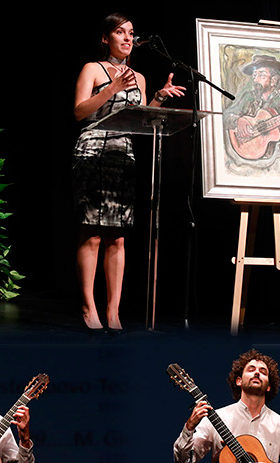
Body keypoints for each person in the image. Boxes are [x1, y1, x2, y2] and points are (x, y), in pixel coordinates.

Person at [73, 13, 185, 331]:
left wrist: (158, 99)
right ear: (105, 38)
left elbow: (140, 120)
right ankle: (88, 306)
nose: (126, 38)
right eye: (119, 32)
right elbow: (80, 110)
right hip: (93, 152)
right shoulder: (92, 69)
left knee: (117, 237)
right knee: (92, 233)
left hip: (123, 155)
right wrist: (111, 88)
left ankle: (113, 311)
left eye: (131, 33)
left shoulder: (139, 76)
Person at [223, 54, 280, 176]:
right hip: (241, 166)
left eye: (261, 75)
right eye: (255, 75)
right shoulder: (248, 97)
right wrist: (238, 121)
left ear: (273, 80)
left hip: (277, 172)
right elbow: (223, 117)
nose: (255, 80)